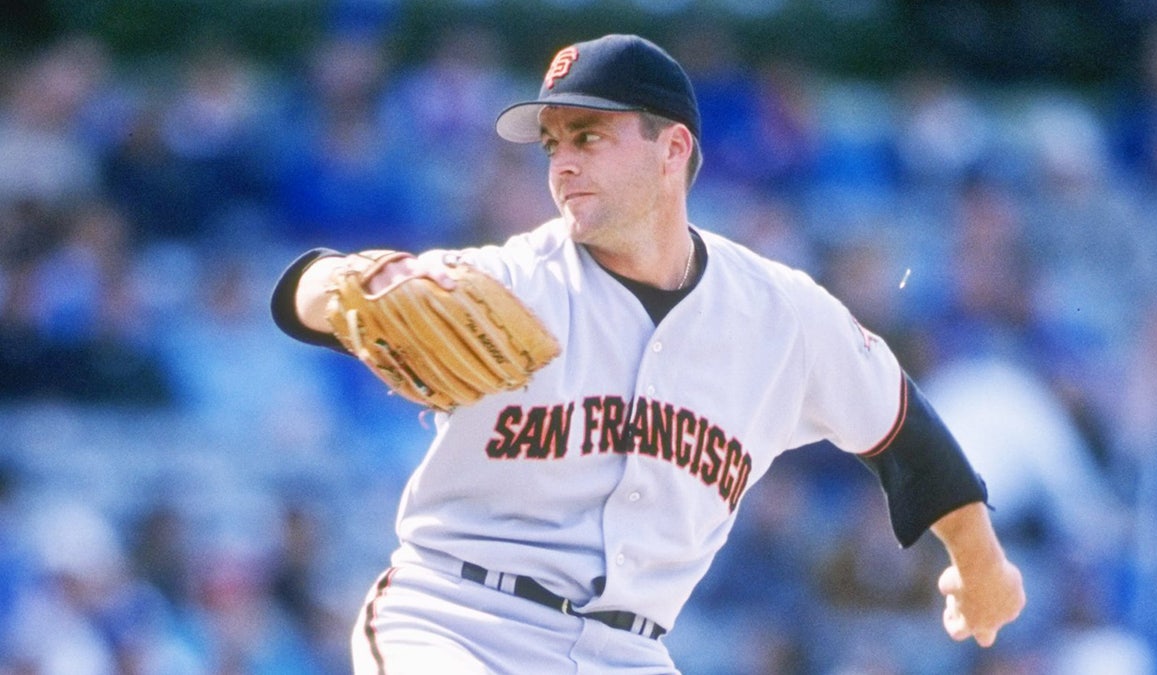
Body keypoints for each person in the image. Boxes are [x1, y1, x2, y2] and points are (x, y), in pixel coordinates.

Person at [270, 33, 1025, 674]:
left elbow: (899, 426)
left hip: (625, 650)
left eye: (588, 136)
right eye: (552, 143)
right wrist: (333, 282)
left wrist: (980, 559)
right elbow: (305, 297)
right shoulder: (514, 282)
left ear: (674, 149)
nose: (561, 162)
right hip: (456, 619)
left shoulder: (779, 314)